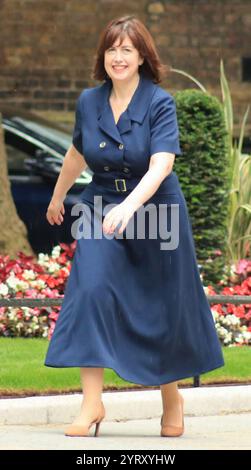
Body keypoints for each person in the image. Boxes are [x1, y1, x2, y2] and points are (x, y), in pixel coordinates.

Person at [44, 15, 225, 438]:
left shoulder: (159, 102)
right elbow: (77, 153)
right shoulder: (89, 101)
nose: (118, 57)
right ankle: (92, 403)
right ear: (102, 56)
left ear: (142, 56)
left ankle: (171, 396)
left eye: (127, 49)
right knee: (89, 289)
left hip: (156, 207)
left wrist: (129, 206)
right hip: (100, 205)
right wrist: (57, 196)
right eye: (112, 49)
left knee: (161, 300)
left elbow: (162, 163)